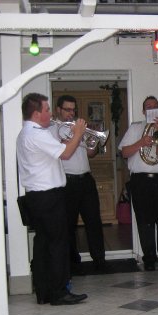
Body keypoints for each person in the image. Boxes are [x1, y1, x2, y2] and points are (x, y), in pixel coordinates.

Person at [16, 93, 88, 306]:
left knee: (43, 244)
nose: (49, 113)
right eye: (47, 110)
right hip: (48, 197)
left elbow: (52, 153)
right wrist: (78, 133)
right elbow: (66, 154)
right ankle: (59, 292)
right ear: (36, 114)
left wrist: (67, 140)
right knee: (58, 244)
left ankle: (44, 291)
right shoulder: (37, 133)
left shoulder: (27, 132)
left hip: (37, 197)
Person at [52, 95, 109, 275]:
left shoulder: (79, 127)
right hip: (66, 181)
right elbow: (61, 152)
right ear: (58, 110)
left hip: (86, 179)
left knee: (94, 221)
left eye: (73, 109)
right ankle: (73, 263)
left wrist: (94, 139)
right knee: (68, 224)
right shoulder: (53, 129)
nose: (71, 113)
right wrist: (76, 135)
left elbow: (91, 153)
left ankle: (99, 260)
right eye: (67, 109)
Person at [118, 96, 158, 271]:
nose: (152, 109)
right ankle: (149, 259)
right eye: (148, 106)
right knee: (144, 221)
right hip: (140, 180)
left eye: (155, 106)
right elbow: (124, 153)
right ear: (143, 111)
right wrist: (141, 142)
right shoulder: (135, 128)